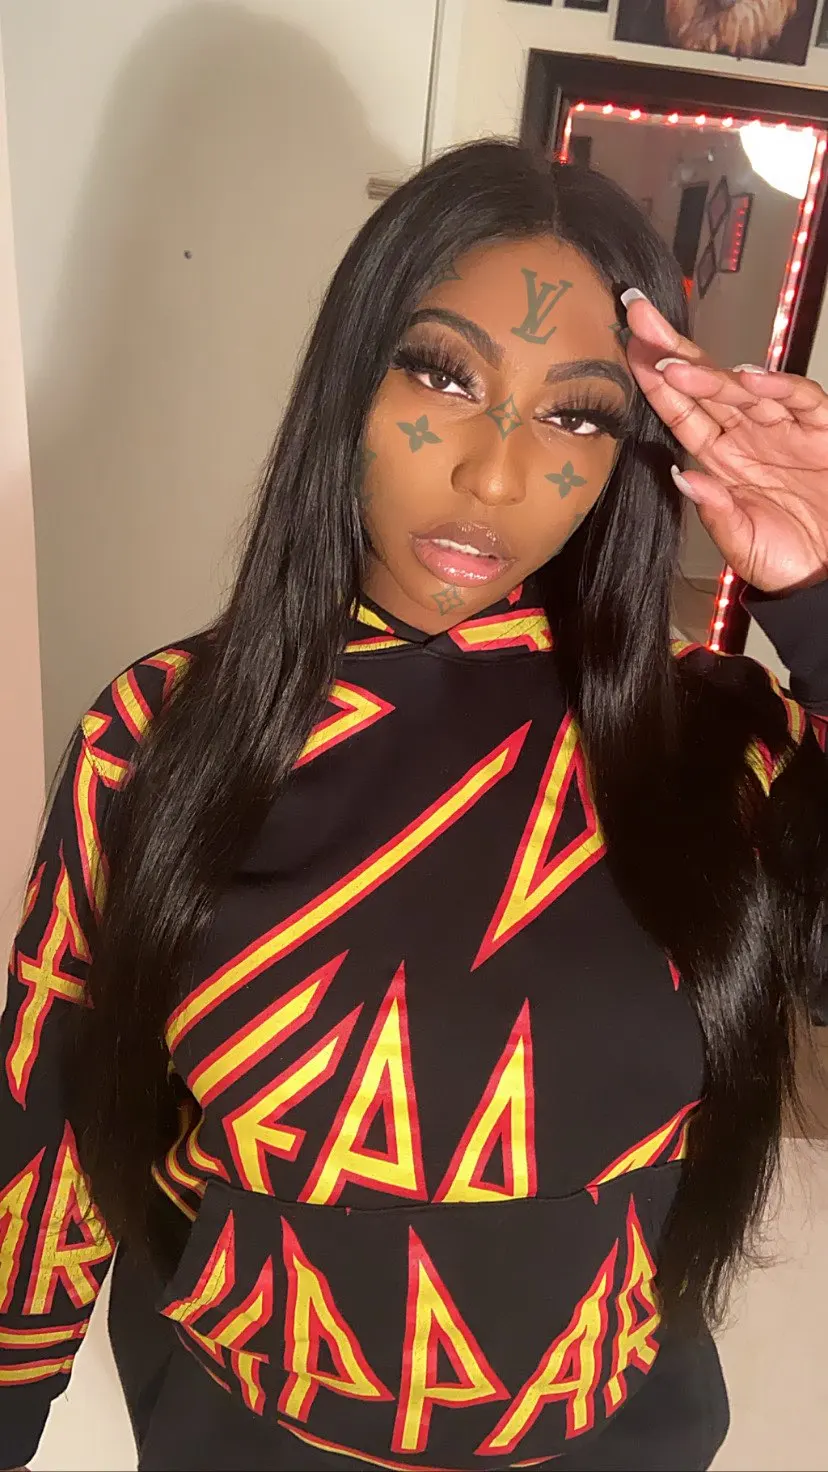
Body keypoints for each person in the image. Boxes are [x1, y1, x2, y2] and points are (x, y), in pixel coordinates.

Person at [0, 140, 826, 1472]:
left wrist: (825, 604)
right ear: (352, 380)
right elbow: (51, 1126)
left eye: (577, 415)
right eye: (443, 376)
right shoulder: (160, 738)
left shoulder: (715, 743)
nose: (494, 478)